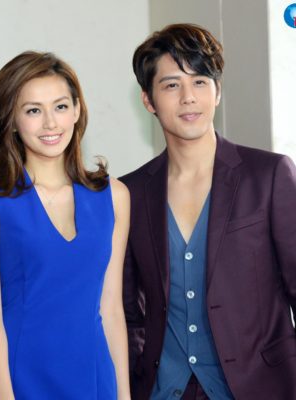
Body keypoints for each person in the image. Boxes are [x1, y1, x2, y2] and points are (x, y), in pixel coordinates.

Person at [119, 23, 296, 400]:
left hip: (257, 387)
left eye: (199, 81)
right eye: (171, 85)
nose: (188, 98)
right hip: (164, 390)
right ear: (148, 100)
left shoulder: (268, 175)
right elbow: (129, 312)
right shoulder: (129, 193)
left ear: (217, 92)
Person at [0, 51, 131, 399]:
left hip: (92, 378)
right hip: (15, 377)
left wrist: (124, 395)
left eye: (60, 106)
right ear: (12, 119)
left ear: (77, 110)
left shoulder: (114, 196)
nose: (51, 123)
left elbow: (112, 308)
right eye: (33, 111)